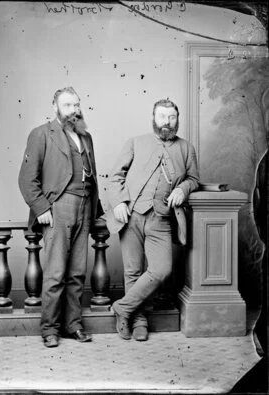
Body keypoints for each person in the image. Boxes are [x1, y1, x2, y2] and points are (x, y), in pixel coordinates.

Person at [106, 99, 199, 341]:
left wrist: (184, 189)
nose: (166, 123)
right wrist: (118, 202)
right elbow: (115, 177)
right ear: (153, 118)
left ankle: (122, 307)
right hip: (132, 215)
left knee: (160, 269)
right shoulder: (136, 142)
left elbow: (193, 178)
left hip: (162, 218)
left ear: (177, 119)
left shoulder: (186, 149)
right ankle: (137, 320)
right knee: (133, 271)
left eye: (171, 117)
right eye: (162, 117)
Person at [18, 87, 104, 347]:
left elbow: (93, 177)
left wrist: (96, 213)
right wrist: (42, 208)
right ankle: (50, 329)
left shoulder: (85, 137)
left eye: (76, 105)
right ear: (55, 107)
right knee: (55, 273)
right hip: (58, 208)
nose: (74, 110)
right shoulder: (41, 134)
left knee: (77, 272)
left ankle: (73, 324)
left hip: (85, 207)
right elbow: (26, 179)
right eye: (67, 105)